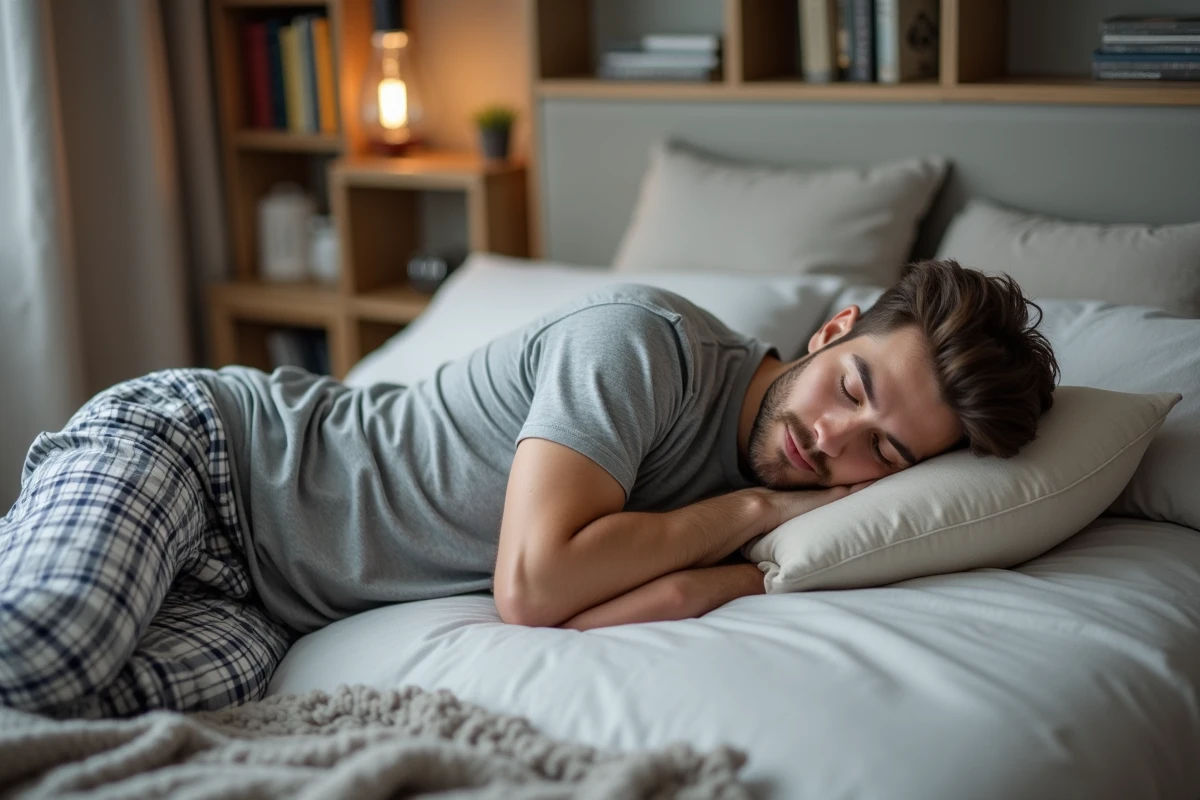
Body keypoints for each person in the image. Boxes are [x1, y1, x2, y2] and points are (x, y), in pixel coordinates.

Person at [0, 259, 1058, 719]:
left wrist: (735, 571)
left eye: (887, 450)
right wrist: (750, 515)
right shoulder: (644, 345)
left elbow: (634, 604)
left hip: (264, 609)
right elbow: (536, 585)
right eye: (852, 386)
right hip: (215, 456)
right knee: (50, 648)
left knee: (86, 712)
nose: (834, 441)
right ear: (832, 331)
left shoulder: (824, 516)